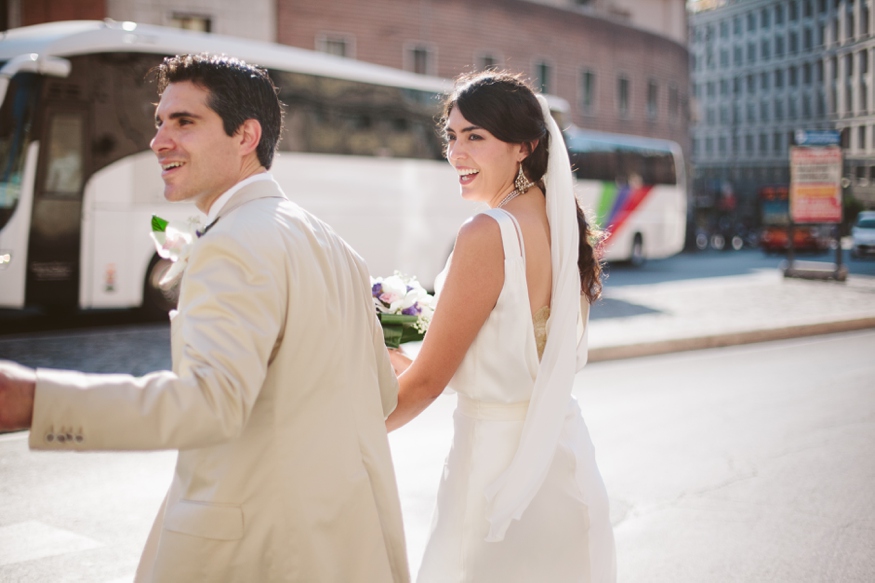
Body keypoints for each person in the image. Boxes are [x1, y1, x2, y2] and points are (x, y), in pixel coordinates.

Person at [0, 54, 409, 583]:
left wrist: (35, 399)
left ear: (246, 136)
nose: (158, 140)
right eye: (159, 122)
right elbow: (382, 396)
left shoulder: (233, 242)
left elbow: (211, 405)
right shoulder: (336, 246)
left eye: (184, 122)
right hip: (346, 543)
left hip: (257, 549)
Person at [386, 71, 616, 582]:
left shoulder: (487, 233)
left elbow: (426, 384)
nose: (456, 153)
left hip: (494, 473)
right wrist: (401, 341)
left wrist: (346, 431)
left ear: (524, 146)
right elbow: (502, 348)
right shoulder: (562, 228)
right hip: (564, 463)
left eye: (476, 136)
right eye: (452, 136)